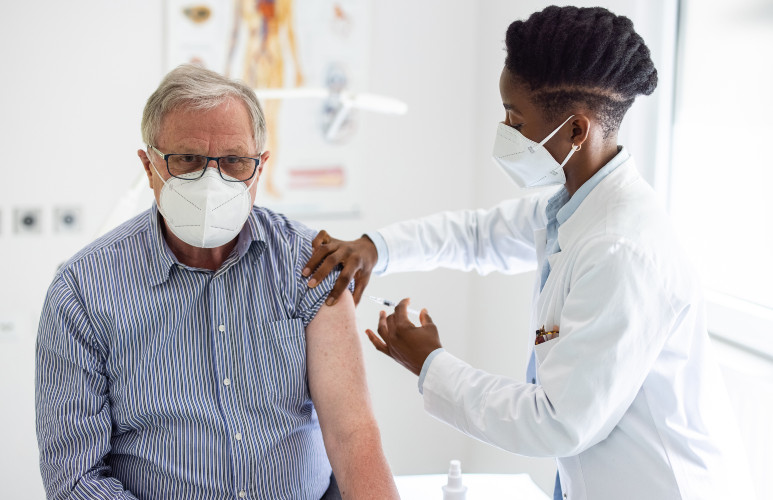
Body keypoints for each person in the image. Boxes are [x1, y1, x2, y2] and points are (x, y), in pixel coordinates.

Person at [303, 6, 755, 500]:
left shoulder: (620, 250)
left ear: (576, 131)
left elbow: (556, 423)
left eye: (515, 120)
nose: (504, 130)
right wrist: (375, 248)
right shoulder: (574, 206)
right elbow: (478, 236)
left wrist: (430, 362)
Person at [35, 64, 398, 500]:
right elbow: (75, 478)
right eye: (187, 159)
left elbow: (352, 435)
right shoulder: (83, 292)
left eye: (233, 161)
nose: (212, 182)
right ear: (149, 167)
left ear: (259, 168)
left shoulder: (311, 265)